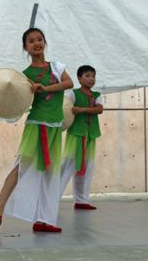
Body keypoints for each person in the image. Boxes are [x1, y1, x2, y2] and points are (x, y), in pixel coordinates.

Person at [0, 28, 74, 234]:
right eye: (31, 41)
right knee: (22, 168)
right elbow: (13, 104)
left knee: (50, 173)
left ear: (45, 43)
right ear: (25, 47)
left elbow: (69, 83)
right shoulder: (23, 77)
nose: (36, 43)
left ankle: (42, 219)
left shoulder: (56, 67)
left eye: (40, 39)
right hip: (37, 127)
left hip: (55, 128)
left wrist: (44, 89)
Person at [59, 65, 103, 209]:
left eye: (93, 76)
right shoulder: (73, 94)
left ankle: (81, 201)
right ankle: (52, 198)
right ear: (79, 78)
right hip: (76, 134)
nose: (91, 79)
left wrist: (83, 109)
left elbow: (99, 109)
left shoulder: (97, 95)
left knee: (87, 166)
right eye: (87, 75)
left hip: (90, 135)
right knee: (67, 166)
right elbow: (64, 108)